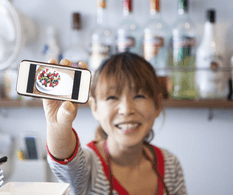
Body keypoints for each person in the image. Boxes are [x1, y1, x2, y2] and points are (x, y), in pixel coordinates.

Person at [44, 52, 187, 195]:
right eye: (112, 97)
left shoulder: (170, 164)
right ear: (95, 107)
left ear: (157, 104)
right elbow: (65, 161)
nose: (126, 110)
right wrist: (57, 126)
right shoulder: (90, 167)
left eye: (139, 95)